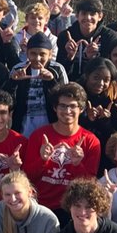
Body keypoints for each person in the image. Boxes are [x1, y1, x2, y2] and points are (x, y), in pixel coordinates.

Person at [21, 83, 101, 217]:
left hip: (72, 209)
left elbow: (90, 184)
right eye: (62, 106)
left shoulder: (91, 141)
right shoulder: (39, 136)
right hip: (40, 206)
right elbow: (27, 176)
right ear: (54, 108)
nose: (67, 110)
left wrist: (77, 164)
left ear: (81, 109)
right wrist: (42, 160)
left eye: (72, 106)